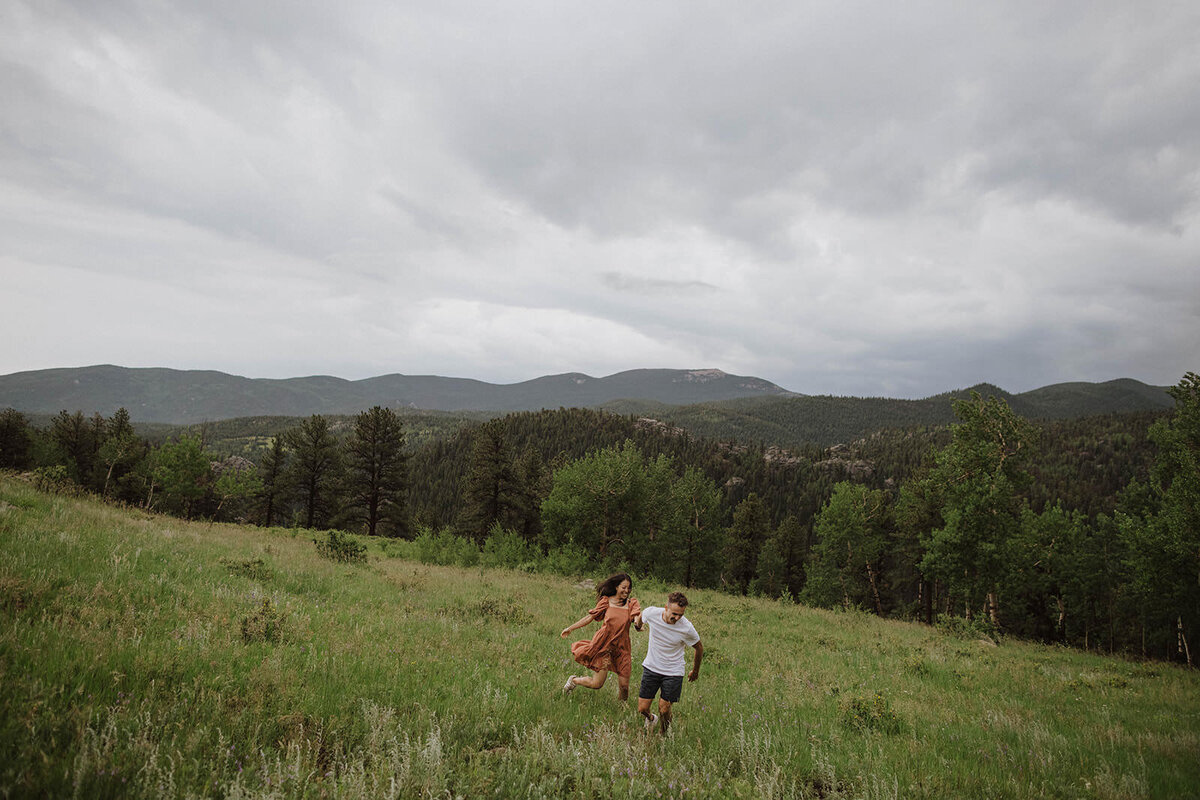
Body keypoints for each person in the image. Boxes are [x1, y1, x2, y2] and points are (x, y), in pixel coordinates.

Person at [560, 573, 642, 701]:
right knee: (597, 684)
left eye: (629, 588)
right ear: (616, 587)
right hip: (604, 646)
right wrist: (570, 628)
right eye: (624, 587)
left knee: (624, 686)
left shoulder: (632, 604)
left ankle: (622, 710)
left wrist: (638, 624)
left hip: (622, 648)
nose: (627, 590)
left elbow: (636, 617)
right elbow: (590, 617)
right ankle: (574, 680)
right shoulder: (606, 602)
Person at [637, 591, 702, 734]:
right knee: (642, 708)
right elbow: (642, 616)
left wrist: (695, 670)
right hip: (652, 667)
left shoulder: (686, 627)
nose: (677, 618)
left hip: (673, 670)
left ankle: (664, 733)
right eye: (674, 613)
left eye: (681, 614)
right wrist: (638, 625)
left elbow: (699, 647)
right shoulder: (652, 613)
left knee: (664, 708)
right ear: (666, 608)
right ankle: (651, 718)